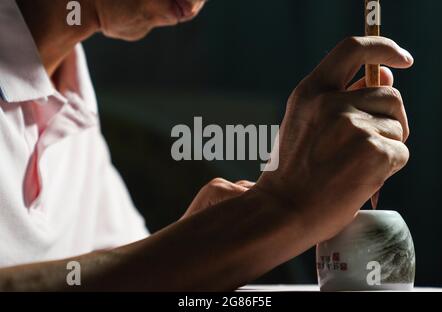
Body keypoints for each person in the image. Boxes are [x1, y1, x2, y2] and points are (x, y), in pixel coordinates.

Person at [0, 0, 413, 291]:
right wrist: (276, 214)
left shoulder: (70, 95)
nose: (193, 6)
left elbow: (113, 271)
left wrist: (205, 241)